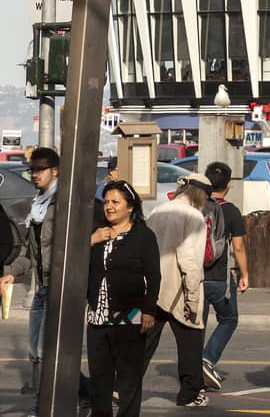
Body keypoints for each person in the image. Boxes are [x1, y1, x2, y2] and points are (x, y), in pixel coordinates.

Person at [85, 181, 160, 417]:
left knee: (128, 382)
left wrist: (149, 310)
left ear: (130, 207)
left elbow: (154, 276)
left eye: (115, 202)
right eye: (106, 202)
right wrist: (91, 241)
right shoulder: (97, 233)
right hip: (97, 319)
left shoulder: (143, 236)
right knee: (100, 382)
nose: (109, 207)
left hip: (129, 318)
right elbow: (75, 263)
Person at [0, 146, 59, 416]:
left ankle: (40, 407)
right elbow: (30, 251)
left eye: (40, 169)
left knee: (47, 352)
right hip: (43, 285)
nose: (34, 174)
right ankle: (84, 389)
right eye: (32, 170)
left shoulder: (61, 204)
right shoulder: (38, 203)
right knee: (35, 350)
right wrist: (12, 272)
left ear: (54, 171)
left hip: (59, 287)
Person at [144, 178, 211, 408]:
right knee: (190, 343)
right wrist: (192, 298)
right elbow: (190, 260)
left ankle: (122, 386)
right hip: (178, 290)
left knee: (144, 343)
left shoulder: (158, 211)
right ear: (201, 194)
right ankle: (190, 394)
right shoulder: (194, 217)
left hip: (152, 288)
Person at [199, 162, 249, 392]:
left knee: (197, 324)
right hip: (219, 277)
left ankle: (193, 368)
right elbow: (238, 247)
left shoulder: (196, 206)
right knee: (229, 319)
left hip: (195, 276)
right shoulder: (231, 210)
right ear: (228, 185)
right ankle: (207, 359)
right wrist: (244, 274)